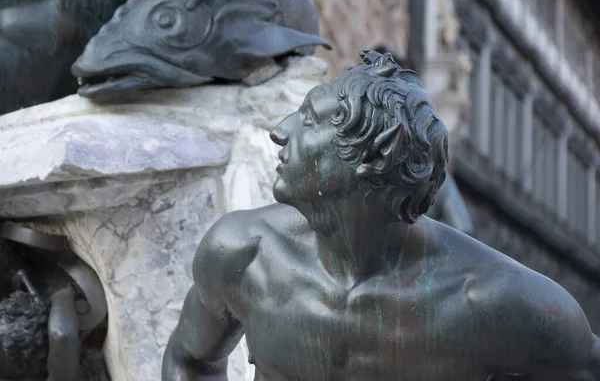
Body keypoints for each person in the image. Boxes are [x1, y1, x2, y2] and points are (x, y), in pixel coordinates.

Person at [162, 50, 600, 380]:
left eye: (310, 119)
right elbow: (189, 360)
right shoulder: (242, 255)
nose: (280, 132)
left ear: (371, 158)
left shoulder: (492, 303)